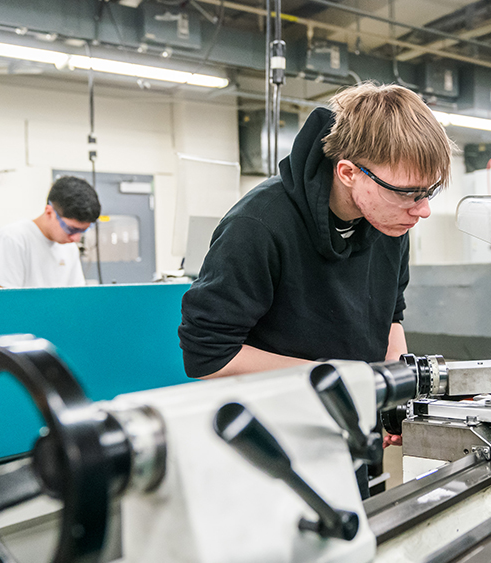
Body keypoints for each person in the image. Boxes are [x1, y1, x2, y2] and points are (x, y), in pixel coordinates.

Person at [179, 82, 453, 380]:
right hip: (273, 416)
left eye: (428, 191)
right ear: (348, 173)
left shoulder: (389, 222)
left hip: (354, 410)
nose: (422, 210)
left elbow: (390, 319)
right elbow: (208, 357)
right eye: (405, 193)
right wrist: (337, 378)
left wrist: (397, 394)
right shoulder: (257, 226)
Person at [0, 176, 100, 288]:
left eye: (83, 230)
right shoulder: (13, 238)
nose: (76, 238)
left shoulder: (70, 248)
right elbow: (1, 300)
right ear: (49, 212)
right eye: (71, 229)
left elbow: (76, 297)